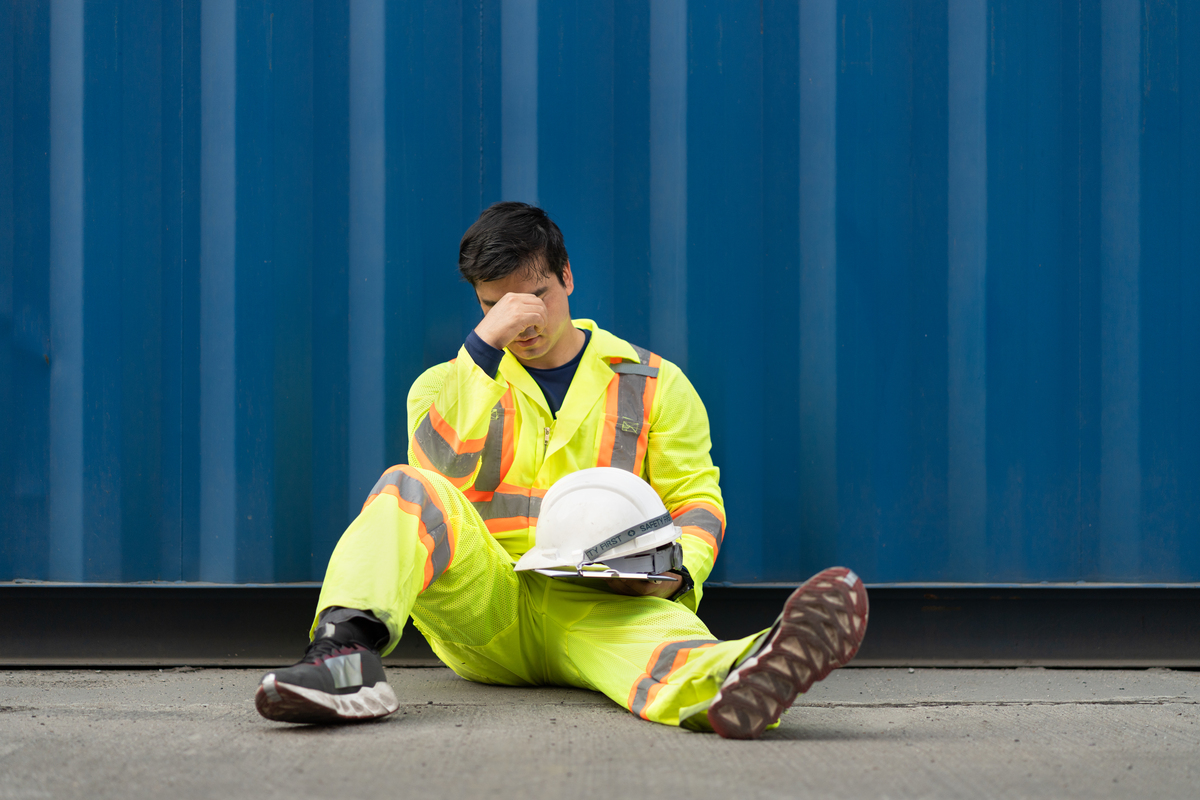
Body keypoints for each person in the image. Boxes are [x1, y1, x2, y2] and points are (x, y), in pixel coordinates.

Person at [255, 202, 868, 739]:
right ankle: (342, 658)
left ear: (567, 277)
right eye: (497, 305)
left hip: (602, 603)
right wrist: (482, 348)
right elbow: (435, 476)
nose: (523, 320)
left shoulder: (653, 383)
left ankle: (740, 676)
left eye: (537, 296)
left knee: (659, 646)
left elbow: (696, 503)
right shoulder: (447, 385)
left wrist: (674, 578)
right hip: (485, 609)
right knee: (405, 487)